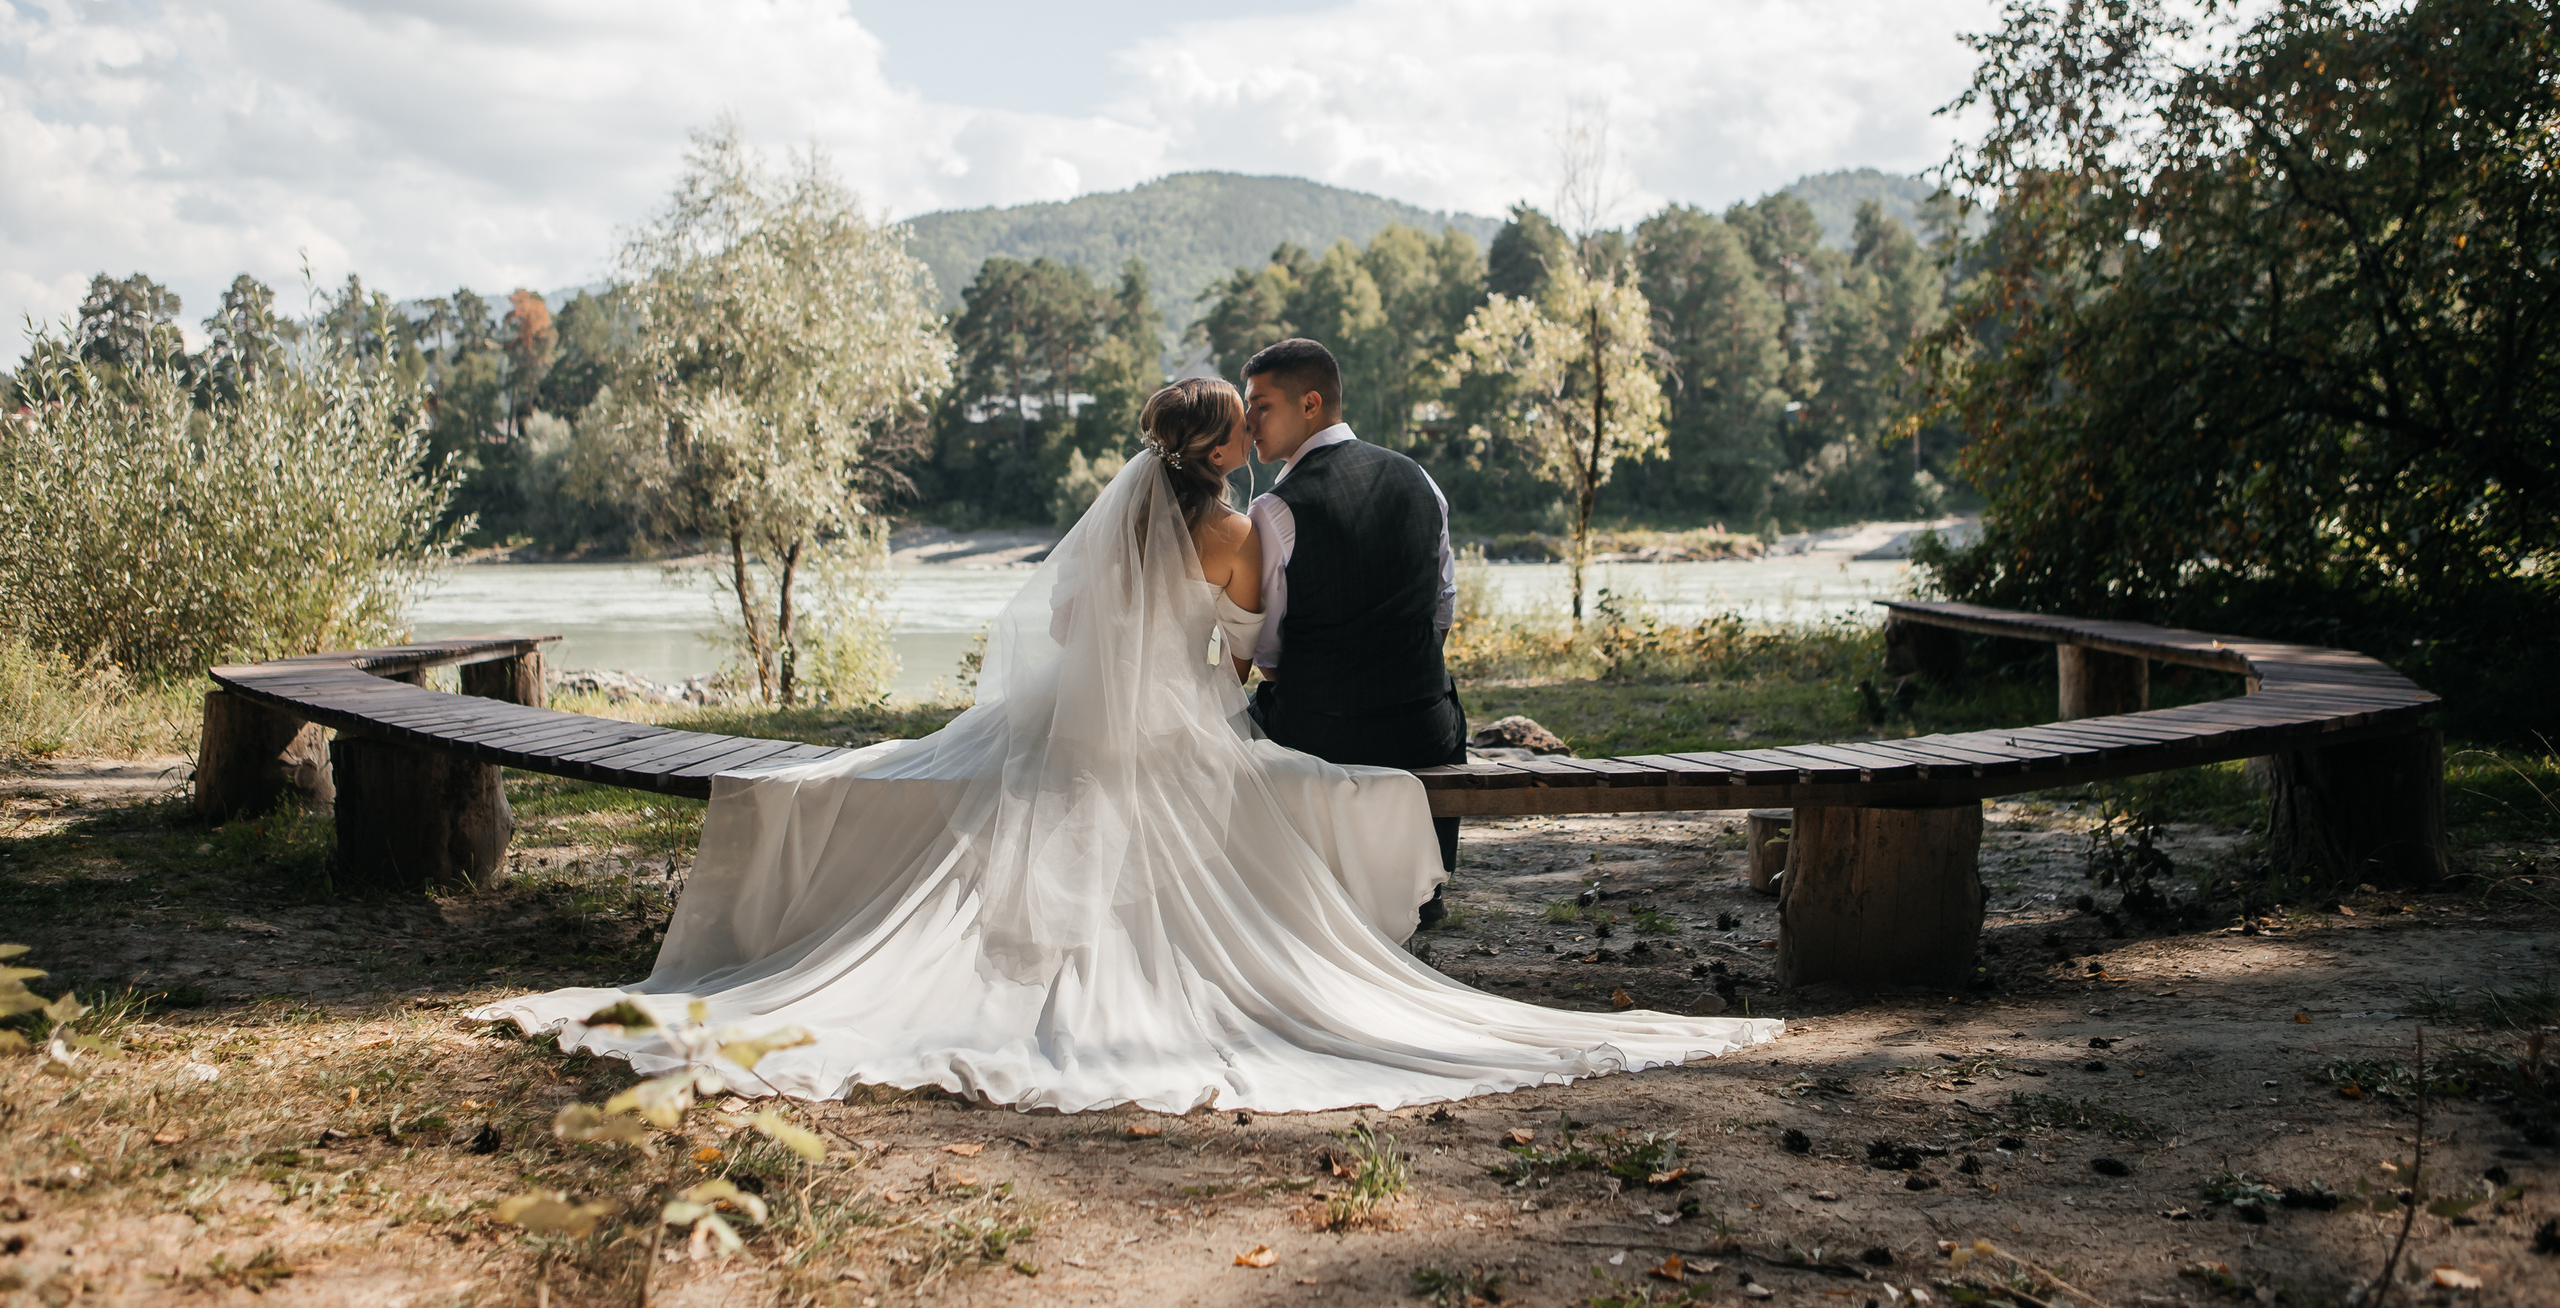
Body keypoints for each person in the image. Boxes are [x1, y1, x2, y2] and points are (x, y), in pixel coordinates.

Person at [474, 378, 1781, 1114]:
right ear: (1223, 448)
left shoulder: (1113, 525)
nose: (1252, 438)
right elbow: (1252, 639)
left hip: (1073, 732)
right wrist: (1228, 650)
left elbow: (1055, 619)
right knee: (1314, 791)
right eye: (1242, 428)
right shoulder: (1229, 531)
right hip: (1172, 740)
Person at [1239, 338, 1467, 925]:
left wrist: (1329, 683)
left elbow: (1268, 648)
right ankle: (1425, 894)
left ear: (1310, 404)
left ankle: (1284, 897)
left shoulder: (1275, 508)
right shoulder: (1419, 478)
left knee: (1236, 730)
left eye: (1261, 405)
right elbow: (1441, 606)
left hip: (1323, 730)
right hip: (1424, 726)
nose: (1248, 421)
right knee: (1445, 699)